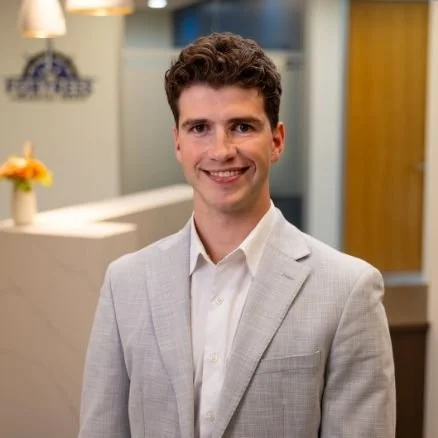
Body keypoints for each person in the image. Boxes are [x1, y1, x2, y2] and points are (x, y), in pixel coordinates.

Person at [78, 32, 396, 438]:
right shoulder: (126, 284)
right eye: (199, 128)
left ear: (276, 140)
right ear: (178, 142)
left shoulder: (348, 290)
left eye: (242, 126)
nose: (221, 150)